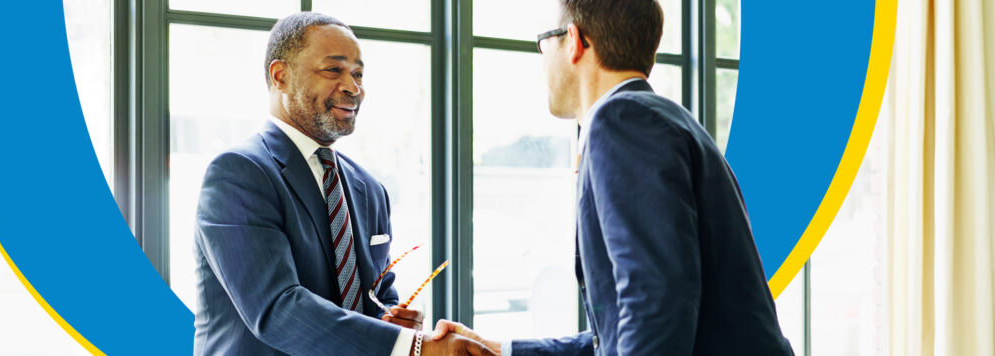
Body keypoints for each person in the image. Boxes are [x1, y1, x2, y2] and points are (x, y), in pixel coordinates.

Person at [434, 1, 795, 355]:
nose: (541, 60)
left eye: (543, 42)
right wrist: (497, 350)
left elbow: (655, 305)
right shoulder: (666, 120)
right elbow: (620, 336)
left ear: (574, 41)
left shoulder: (621, 121)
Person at [193, 12, 493, 356]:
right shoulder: (239, 174)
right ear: (281, 76)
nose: (353, 87)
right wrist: (413, 349)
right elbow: (277, 309)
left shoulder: (368, 188)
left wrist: (394, 324)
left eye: (358, 73)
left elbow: (380, 297)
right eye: (333, 70)